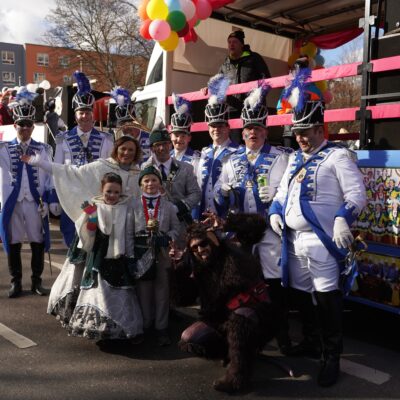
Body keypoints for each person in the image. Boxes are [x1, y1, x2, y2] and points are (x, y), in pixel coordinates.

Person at [269, 96, 367, 386]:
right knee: (300, 293)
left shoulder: (338, 156)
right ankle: (312, 341)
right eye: (297, 132)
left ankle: (331, 356)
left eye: (305, 132)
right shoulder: (293, 159)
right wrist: (274, 212)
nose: (299, 138)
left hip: (321, 241)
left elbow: (357, 195)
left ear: (319, 129)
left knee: (326, 298)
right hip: (292, 240)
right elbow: (281, 194)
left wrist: (342, 218)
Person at [22, 136, 142, 324]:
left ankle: (118, 316)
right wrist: (42, 164)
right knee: (87, 271)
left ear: (136, 153)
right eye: (123, 148)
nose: (126, 153)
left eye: (131, 150)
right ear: (116, 149)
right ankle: (85, 312)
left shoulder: (138, 173)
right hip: (97, 230)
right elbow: (72, 173)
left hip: (123, 233)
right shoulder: (102, 166)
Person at [214, 82, 292, 353]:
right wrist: (223, 192)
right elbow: (218, 197)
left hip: (269, 230)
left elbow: (289, 193)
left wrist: (276, 199)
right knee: (240, 284)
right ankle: (242, 335)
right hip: (240, 232)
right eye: (248, 129)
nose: (253, 133)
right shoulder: (231, 160)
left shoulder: (281, 158)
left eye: (258, 129)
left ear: (265, 131)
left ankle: (281, 335)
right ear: (243, 132)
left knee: (273, 284)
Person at [170, 223, 275, 393]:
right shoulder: (197, 266)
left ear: (213, 241)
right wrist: (178, 268)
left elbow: (239, 276)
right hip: (220, 318)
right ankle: (232, 355)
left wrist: (223, 235)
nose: (200, 250)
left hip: (253, 317)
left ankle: (238, 379)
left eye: (204, 244)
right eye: (194, 248)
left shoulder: (232, 255)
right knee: (188, 338)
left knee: (239, 320)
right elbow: (182, 300)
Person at [64, 172, 143, 341]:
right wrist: (92, 217)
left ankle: (120, 328)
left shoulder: (126, 208)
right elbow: (88, 235)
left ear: (121, 192)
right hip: (99, 256)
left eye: (116, 192)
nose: (112, 195)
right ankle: (97, 327)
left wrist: (130, 256)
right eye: (108, 191)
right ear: (102, 190)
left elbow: (129, 234)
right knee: (97, 291)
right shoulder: (96, 207)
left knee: (120, 291)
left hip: (119, 257)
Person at [0, 86, 54, 298]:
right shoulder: (3, 149)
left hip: (34, 202)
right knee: (13, 241)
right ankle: (16, 282)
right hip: (13, 203)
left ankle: (36, 282)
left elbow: (50, 176)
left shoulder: (44, 149)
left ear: (33, 126)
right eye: (21, 124)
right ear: (15, 125)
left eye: (28, 124)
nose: (25, 128)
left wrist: (49, 199)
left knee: (37, 241)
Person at [51, 71, 114, 247]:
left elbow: (111, 168)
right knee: (70, 236)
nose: (84, 116)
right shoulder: (63, 139)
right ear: (75, 115)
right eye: (81, 113)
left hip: (96, 195)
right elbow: (56, 169)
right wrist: (53, 196)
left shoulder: (107, 139)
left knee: (95, 237)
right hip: (71, 194)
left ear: (93, 114)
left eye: (87, 112)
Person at [133, 166, 181, 346]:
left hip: (162, 254)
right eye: (146, 180)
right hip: (141, 253)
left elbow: (176, 228)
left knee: (162, 291)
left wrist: (168, 238)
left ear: (160, 184)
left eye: (154, 180)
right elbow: (128, 231)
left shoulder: (168, 206)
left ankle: (161, 327)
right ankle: (144, 325)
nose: (150, 183)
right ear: (141, 185)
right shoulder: (133, 205)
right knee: (143, 291)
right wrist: (130, 255)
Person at [142, 117, 201, 230]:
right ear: (152, 148)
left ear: (170, 145)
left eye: (165, 144)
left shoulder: (186, 168)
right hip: (152, 223)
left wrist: (178, 207)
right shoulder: (145, 168)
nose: (162, 148)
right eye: (157, 145)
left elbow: (196, 194)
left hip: (178, 224)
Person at [194, 74, 239, 220]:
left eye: (220, 126)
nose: (216, 130)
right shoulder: (204, 152)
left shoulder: (238, 152)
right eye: (213, 126)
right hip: (203, 216)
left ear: (228, 128)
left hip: (225, 217)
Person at [201, 30, 271, 118]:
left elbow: (266, 79)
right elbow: (217, 84)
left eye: (235, 42)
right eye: (229, 42)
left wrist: (257, 98)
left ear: (242, 44)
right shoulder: (225, 64)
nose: (231, 44)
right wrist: (209, 88)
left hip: (252, 109)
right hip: (231, 110)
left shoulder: (254, 58)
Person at [111, 86, 151, 165]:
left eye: (129, 123)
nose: (126, 127)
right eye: (122, 124)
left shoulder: (150, 139)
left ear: (136, 121)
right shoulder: (116, 141)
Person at [169, 93, 200, 170]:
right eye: (176, 135)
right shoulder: (166, 157)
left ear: (189, 138)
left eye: (183, 136)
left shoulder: (196, 158)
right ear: (171, 136)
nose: (179, 139)